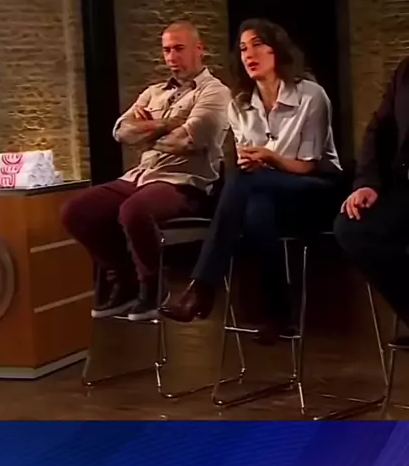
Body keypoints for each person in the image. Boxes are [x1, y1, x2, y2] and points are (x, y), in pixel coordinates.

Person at [161, 18, 342, 342]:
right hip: (265, 190)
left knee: (246, 183)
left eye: (258, 45)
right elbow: (249, 163)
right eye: (243, 48)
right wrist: (256, 162)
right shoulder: (240, 105)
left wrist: (269, 158)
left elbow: (308, 165)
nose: (249, 54)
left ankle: (202, 286)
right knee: (257, 209)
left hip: (317, 190)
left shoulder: (311, 96)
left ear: (277, 50)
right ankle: (279, 314)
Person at [61, 20, 231, 321]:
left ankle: (153, 285)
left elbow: (189, 140)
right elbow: (120, 131)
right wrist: (169, 123)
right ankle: (125, 277)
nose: (171, 57)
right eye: (166, 50)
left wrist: (147, 129)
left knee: (134, 210)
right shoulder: (154, 92)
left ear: (199, 49)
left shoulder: (215, 92)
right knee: (76, 211)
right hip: (141, 176)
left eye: (179, 49)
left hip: (185, 182)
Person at [334, 56, 409, 331]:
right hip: (404, 187)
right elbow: (379, 130)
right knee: (353, 227)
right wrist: (367, 183)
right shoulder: (406, 70)